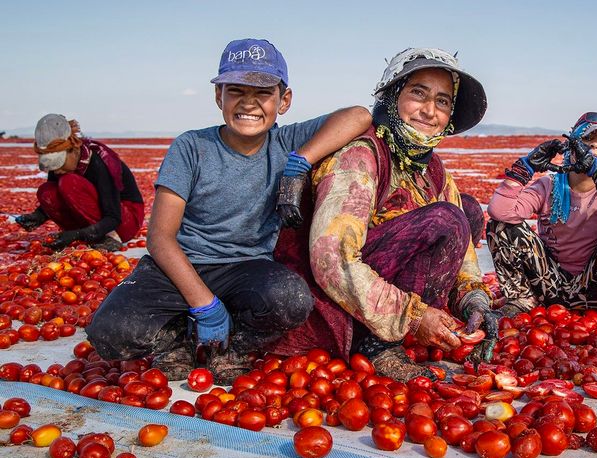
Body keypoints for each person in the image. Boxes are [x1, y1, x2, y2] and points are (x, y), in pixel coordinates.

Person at [86, 39, 371, 384]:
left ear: (284, 101)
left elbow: (359, 116)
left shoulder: (285, 143)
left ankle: (233, 344)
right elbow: (160, 238)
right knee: (110, 332)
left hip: (244, 268)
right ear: (218, 96)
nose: (249, 103)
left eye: (263, 93)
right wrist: (204, 304)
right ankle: (176, 337)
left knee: (292, 299)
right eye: (236, 91)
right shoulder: (191, 147)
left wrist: (301, 160)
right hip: (181, 264)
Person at [273, 48, 496, 381]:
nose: (429, 110)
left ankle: (394, 332)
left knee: (468, 211)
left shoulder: (434, 170)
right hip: (333, 304)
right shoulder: (361, 154)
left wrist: (473, 300)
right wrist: (412, 316)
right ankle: (375, 346)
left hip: (383, 295)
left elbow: (462, 254)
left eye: (442, 101)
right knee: (445, 219)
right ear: (392, 97)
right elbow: (332, 258)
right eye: (418, 94)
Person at [485, 112, 597, 337]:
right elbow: (500, 212)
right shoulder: (547, 185)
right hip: (547, 284)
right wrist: (525, 167)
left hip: (594, 289)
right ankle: (521, 299)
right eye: (587, 139)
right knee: (500, 227)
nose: (595, 147)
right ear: (571, 146)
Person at [16, 114, 144, 251]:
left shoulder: (100, 163)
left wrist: (78, 235)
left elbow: (113, 217)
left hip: (124, 220)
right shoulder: (61, 169)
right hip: (98, 220)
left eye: (60, 163)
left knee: (69, 182)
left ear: (74, 150)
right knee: (46, 190)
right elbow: (56, 198)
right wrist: (37, 216)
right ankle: (85, 234)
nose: (57, 171)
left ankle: (109, 238)